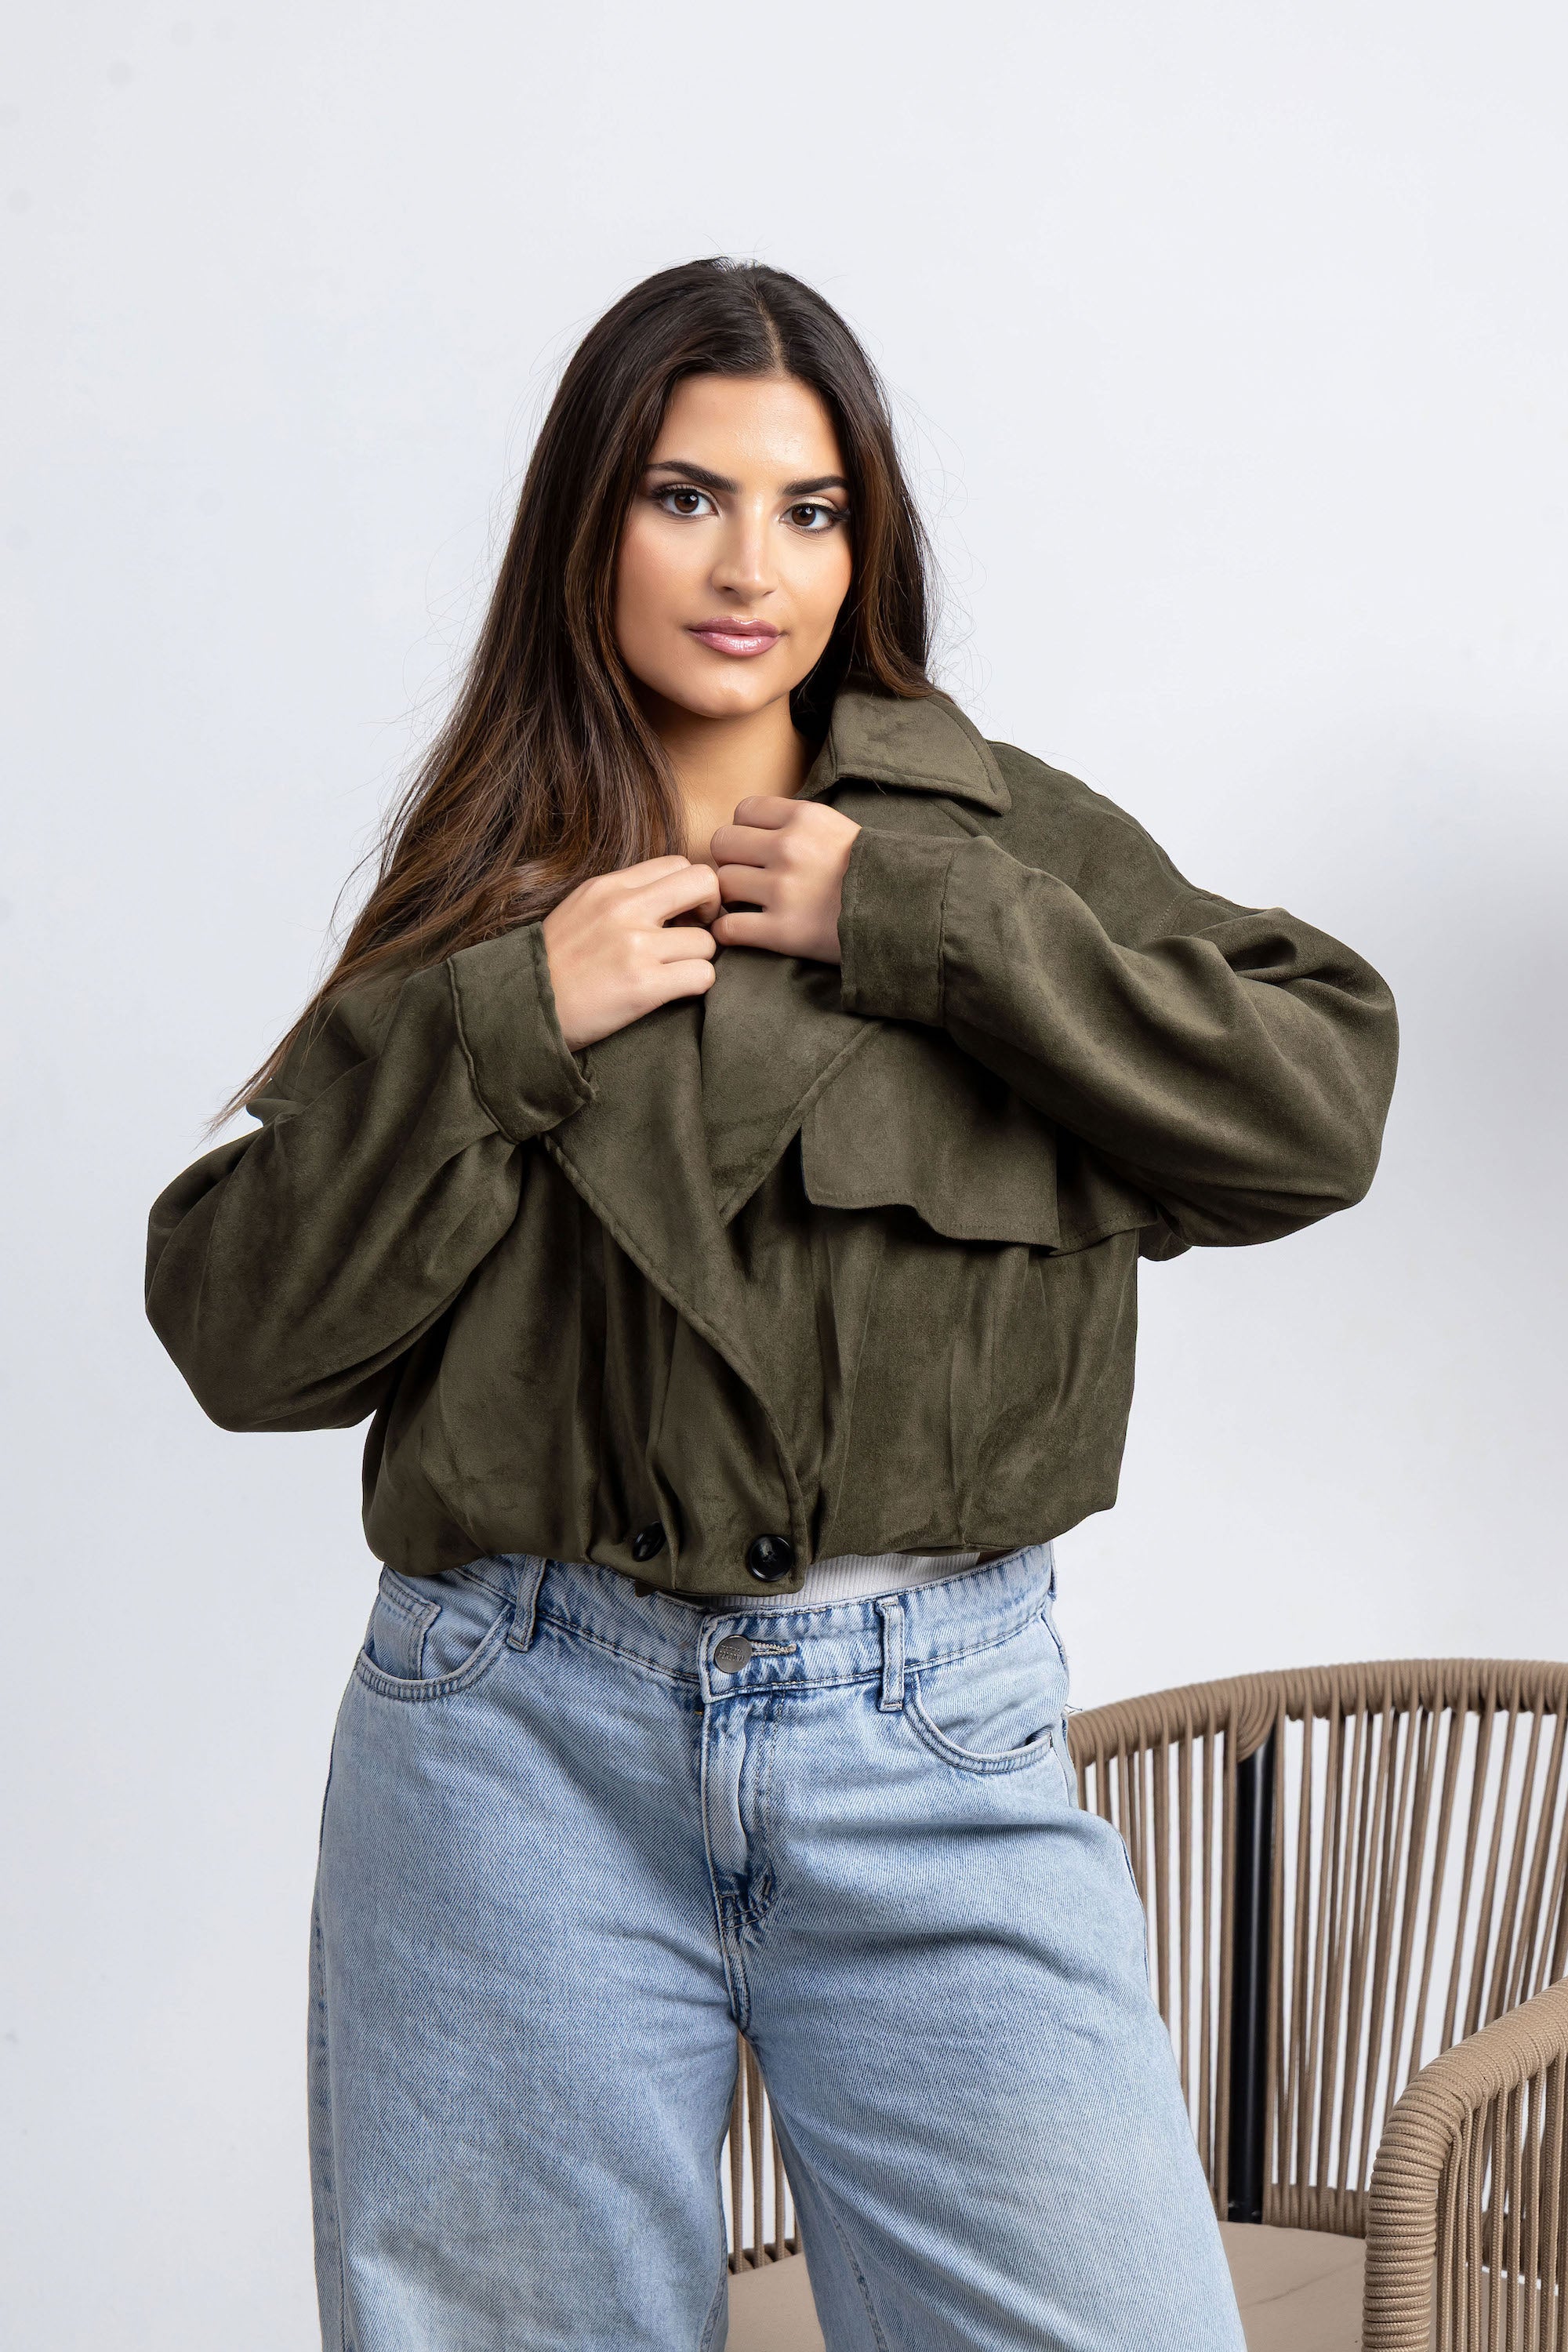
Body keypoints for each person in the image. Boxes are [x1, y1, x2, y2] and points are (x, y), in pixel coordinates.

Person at [145, 258, 1398, 2352]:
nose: (753, 568)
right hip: (510, 1741)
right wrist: (503, 1026)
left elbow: (1313, 1107)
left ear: (865, 540)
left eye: (810, 509)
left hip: (931, 1731)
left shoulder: (997, 839)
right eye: (686, 498)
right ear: (589, 527)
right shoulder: (484, 883)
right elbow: (241, 1335)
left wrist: (913, 920)